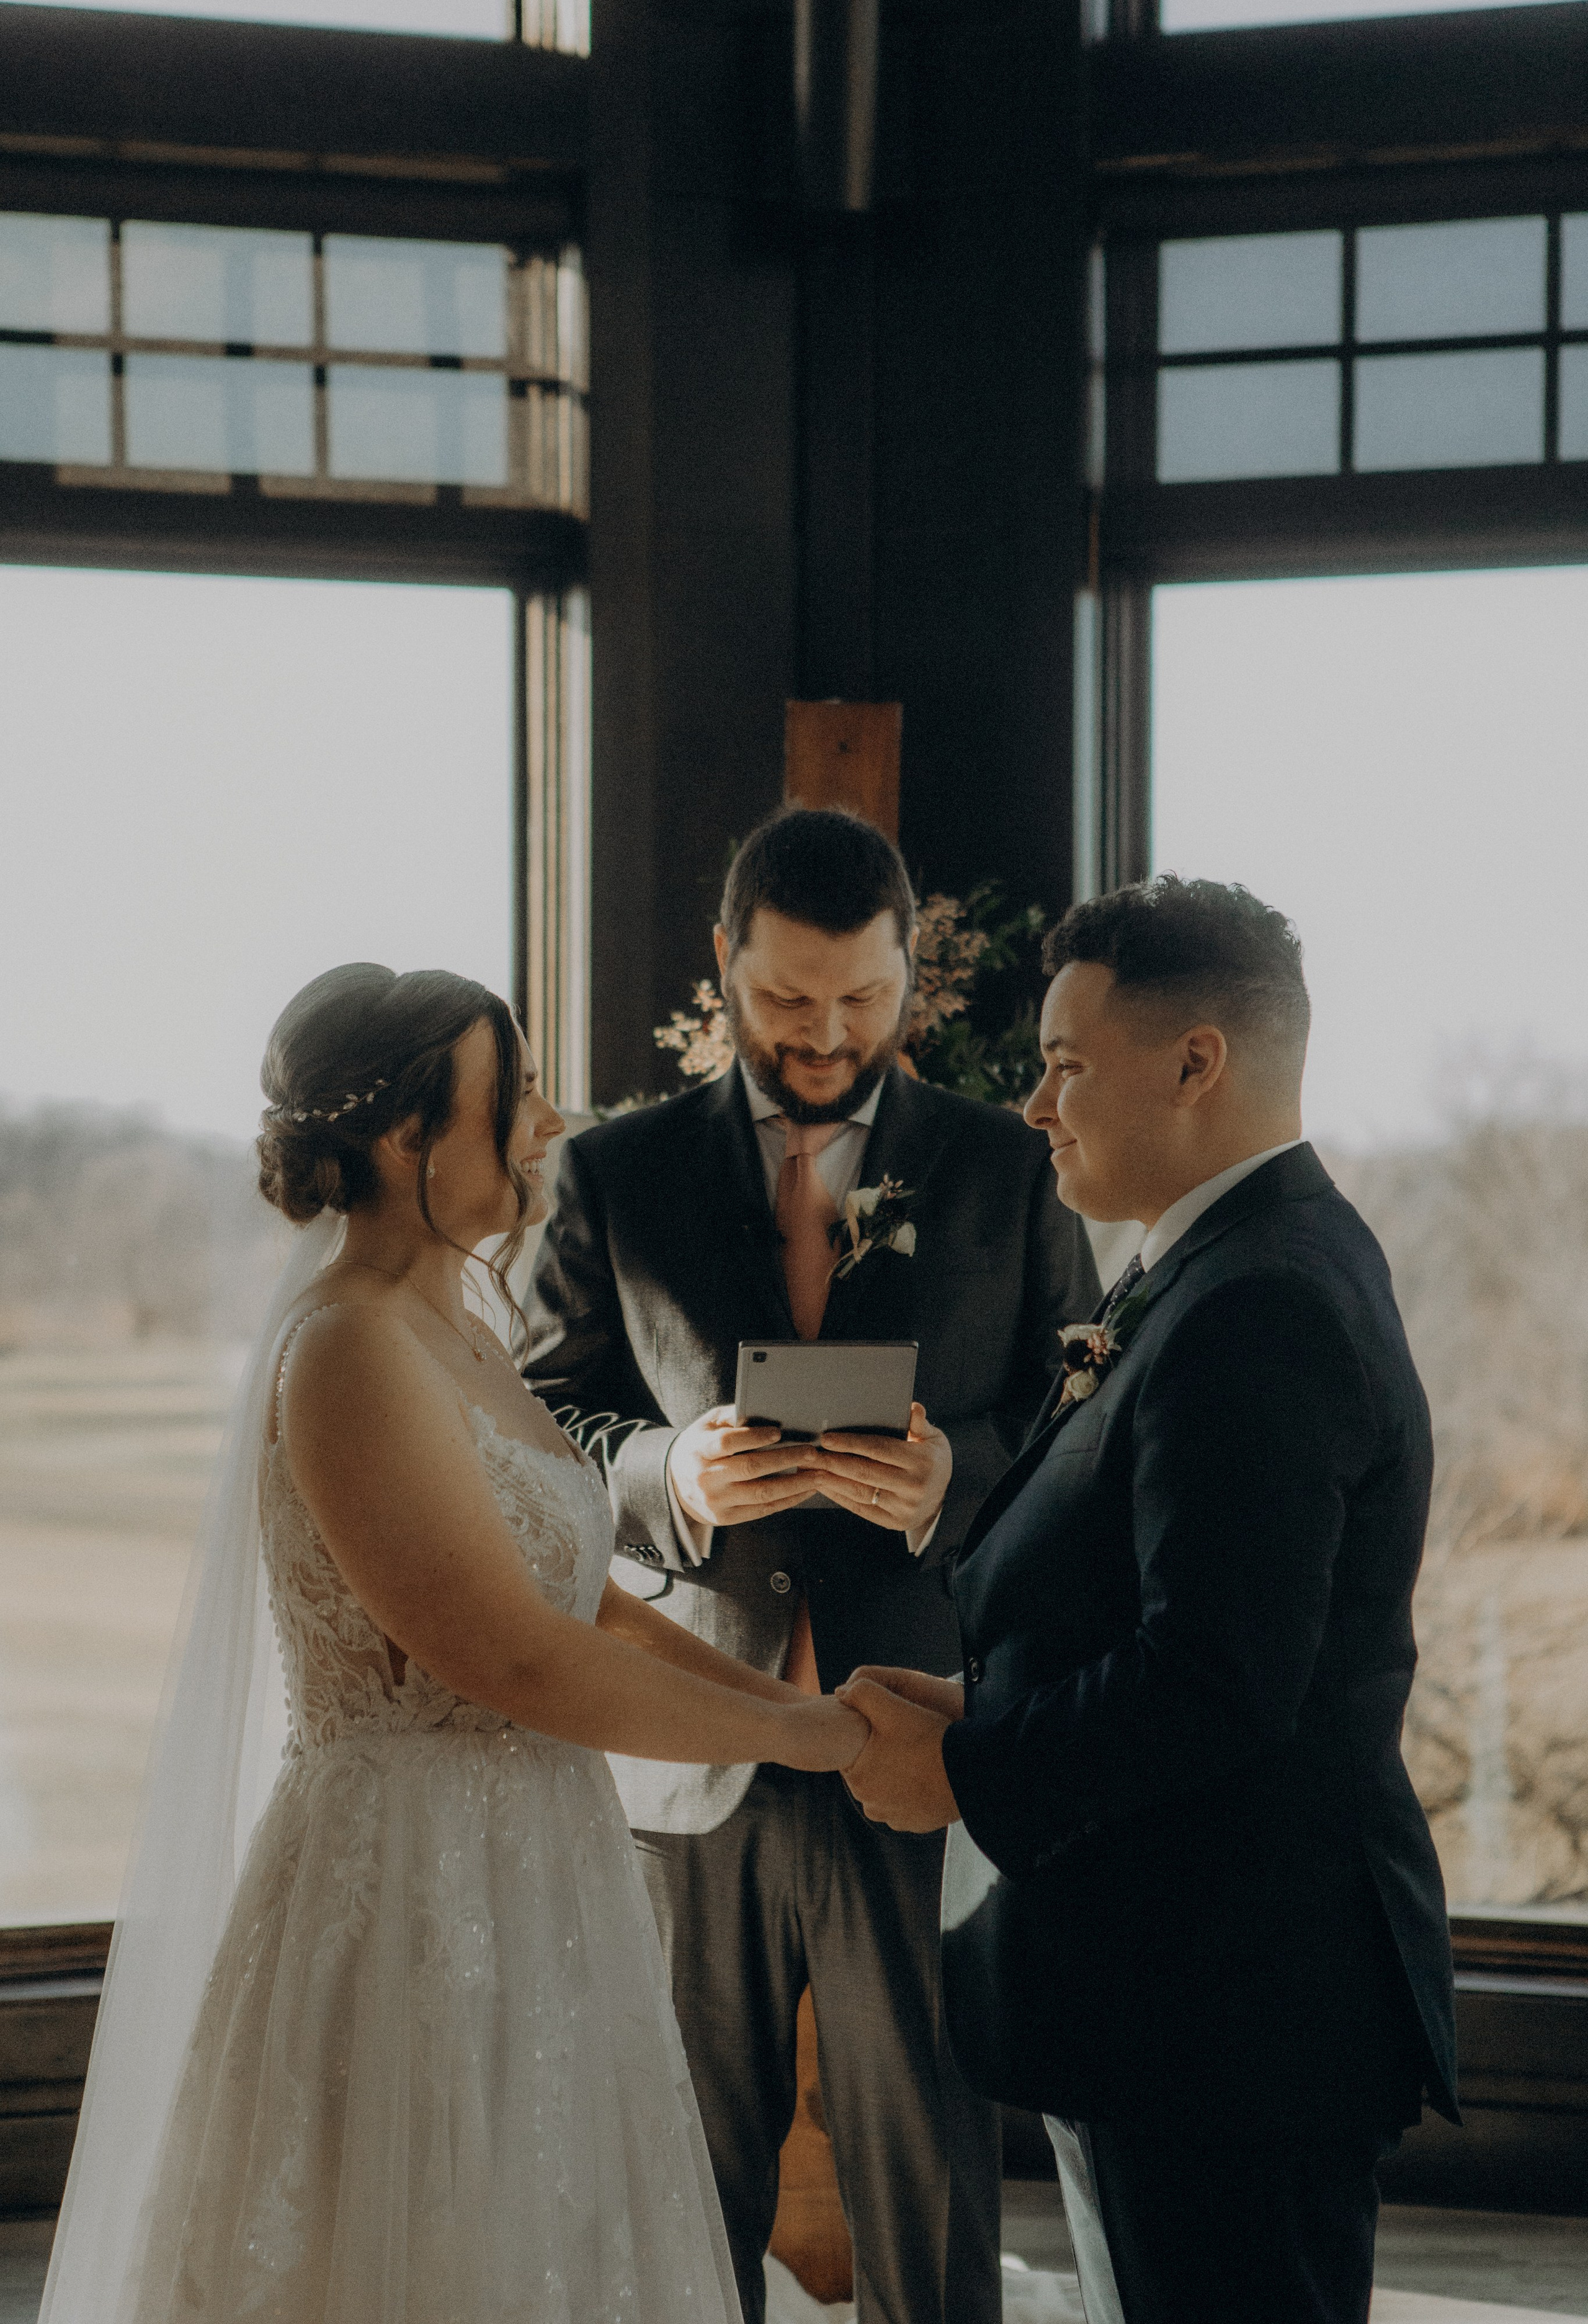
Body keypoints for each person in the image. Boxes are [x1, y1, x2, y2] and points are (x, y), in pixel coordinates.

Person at [40, 963, 865, 2324]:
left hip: (541, 1866)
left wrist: (802, 1709)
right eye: (516, 1094)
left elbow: (582, 1601)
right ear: (405, 1140)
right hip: (414, 1890)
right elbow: (514, 1661)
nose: (547, 1122)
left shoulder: (462, 1329)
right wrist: (806, 1737)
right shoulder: (351, 1349)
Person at [837, 876, 1460, 2324]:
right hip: (1169, 1999)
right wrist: (981, 1696)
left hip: (1229, 2020)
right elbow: (1133, 1600)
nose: (1036, 1104)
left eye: (1063, 1062)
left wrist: (970, 1765)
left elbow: (1218, 1675)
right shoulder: (1212, 1266)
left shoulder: (1262, 1303)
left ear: (1194, 1063)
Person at [524, 807, 1100, 2324]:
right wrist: (664, 1473)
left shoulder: (1006, 1168)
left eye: (861, 998)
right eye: (785, 1001)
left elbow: (1079, 1413)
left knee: (926, 2167)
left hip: (901, 1734)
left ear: (911, 971)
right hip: (680, 1747)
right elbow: (524, 1419)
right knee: (674, 2167)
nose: (826, 1034)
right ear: (723, 964)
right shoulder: (612, 1176)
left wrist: (951, 1477)